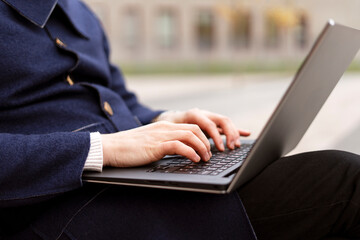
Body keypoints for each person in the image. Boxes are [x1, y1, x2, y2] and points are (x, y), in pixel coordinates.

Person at [0, 0, 359, 239]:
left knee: (267, 166)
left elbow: (118, 97)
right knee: (343, 179)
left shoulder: (78, 11)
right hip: (57, 211)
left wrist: (164, 119)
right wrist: (102, 149)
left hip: (134, 184)